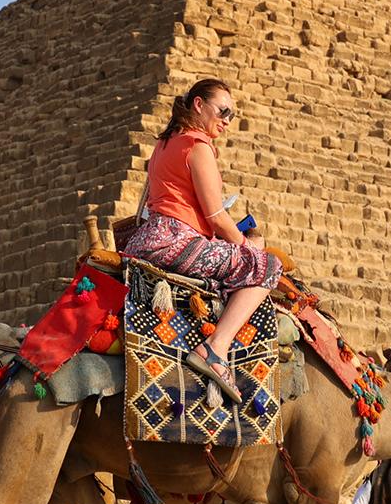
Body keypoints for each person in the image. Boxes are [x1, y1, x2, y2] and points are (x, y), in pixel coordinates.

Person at [120, 79, 283, 404]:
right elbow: (215, 217)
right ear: (198, 104)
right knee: (267, 266)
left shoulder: (167, 142)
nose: (226, 120)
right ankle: (215, 348)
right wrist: (245, 246)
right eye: (222, 111)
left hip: (146, 240)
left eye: (232, 115)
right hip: (176, 242)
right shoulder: (198, 146)